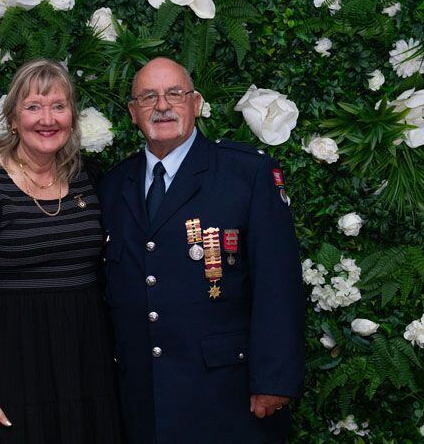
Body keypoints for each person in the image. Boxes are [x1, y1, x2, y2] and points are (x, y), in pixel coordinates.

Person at [97, 57, 305, 444]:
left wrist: (274, 379)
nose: (162, 105)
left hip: (227, 394)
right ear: (132, 112)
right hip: (143, 400)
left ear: (195, 104)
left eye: (175, 94)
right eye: (148, 97)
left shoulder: (247, 174)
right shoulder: (113, 186)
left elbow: (278, 283)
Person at [0, 59, 124, 444]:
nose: (47, 119)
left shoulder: (92, 179)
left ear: (72, 116)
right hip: (9, 369)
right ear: (13, 119)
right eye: (33, 107)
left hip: (86, 366)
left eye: (58, 106)